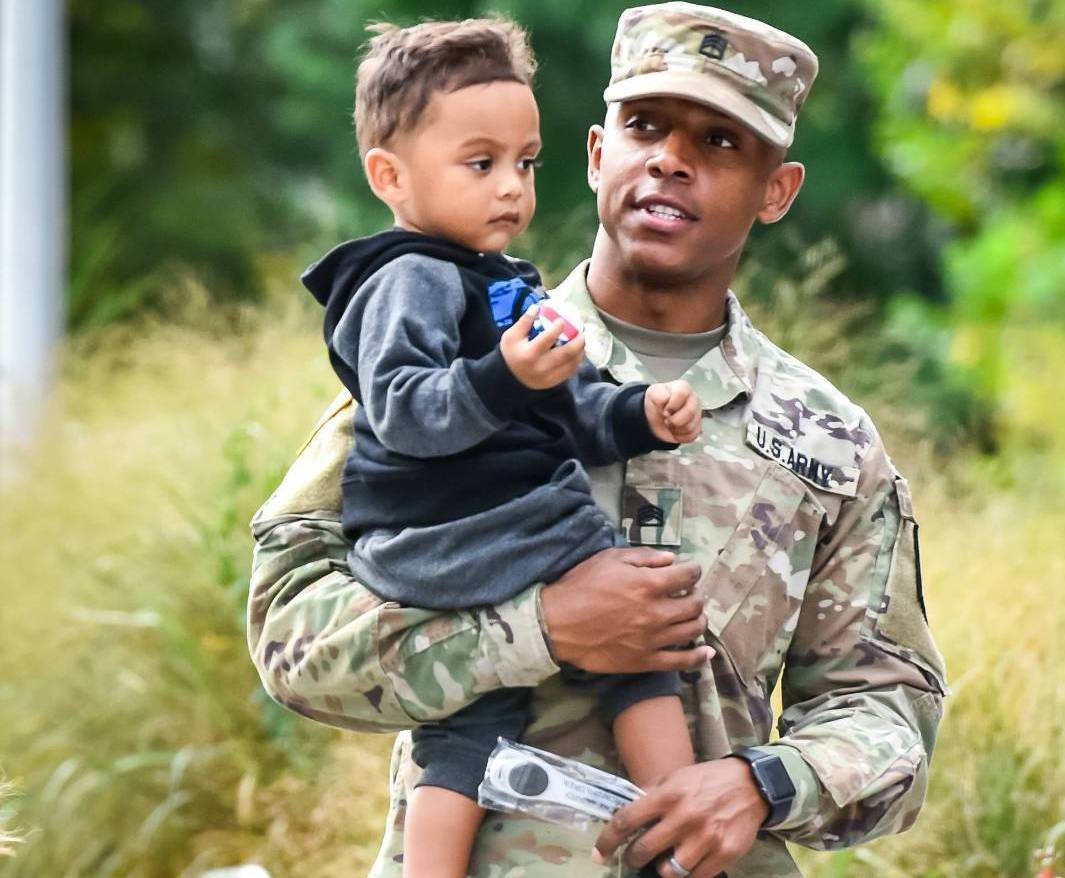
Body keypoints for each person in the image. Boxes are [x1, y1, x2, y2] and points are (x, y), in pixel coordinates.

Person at [247, 3, 949, 877]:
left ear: (777, 191)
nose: (670, 159)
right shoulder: (451, 361)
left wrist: (761, 784)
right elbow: (289, 638)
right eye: (644, 126)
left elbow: (889, 712)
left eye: (720, 141)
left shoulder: (830, 443)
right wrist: (537, 629)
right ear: (595, 153)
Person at [300, 17, 705, 878]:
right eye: (480, 164)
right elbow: (404, 410)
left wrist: (640, 414)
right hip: (454, 529)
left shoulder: (504, 283)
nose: (511, 189)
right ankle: (681, 825)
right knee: (639, 622)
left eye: (526, 164)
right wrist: (504, 376)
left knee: (467, 730)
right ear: (389, 175)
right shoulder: (407, 278)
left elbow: (574, 405)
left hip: (453, 545)